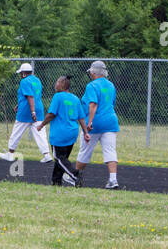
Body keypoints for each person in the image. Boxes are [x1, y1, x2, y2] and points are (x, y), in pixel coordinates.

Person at [36, 75, 89, 187]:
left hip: (60, 133)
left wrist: (41, 125)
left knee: (59, 158)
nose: (56, 84)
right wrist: (86, 132)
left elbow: (51, 114)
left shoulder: (58, 97)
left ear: (63, 85)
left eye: (58, 82)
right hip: (72, 133)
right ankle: (56, 182)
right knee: (62, 159)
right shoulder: (75, 98)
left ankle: (75, 175)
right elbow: (81, 118)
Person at [76, 60, 121, 189]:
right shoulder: (111, 85)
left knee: (85, 150)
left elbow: (93, 104)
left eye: (91, 72)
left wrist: (89, 122)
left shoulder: (92, 85)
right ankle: (113, 179)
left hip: (96, 123)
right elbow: (111, 102)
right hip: (110, 121)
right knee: (110, 150)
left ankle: (75, 176)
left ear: (94, 72)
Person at [0, 63, 53, 164]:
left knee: (16, 132)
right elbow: (33, 96)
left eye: (21, 73)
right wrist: (19, 105)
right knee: (40, 134)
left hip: (26, 112)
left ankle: (10, 154)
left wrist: (32, 111)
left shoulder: (24, 81)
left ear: (24, 73)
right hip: (39, 110)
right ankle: (47, 155)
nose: (20, 75)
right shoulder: (37, 80)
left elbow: (30, 96)